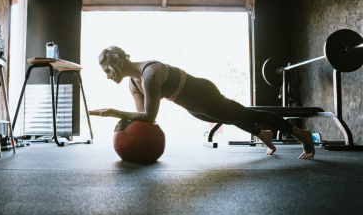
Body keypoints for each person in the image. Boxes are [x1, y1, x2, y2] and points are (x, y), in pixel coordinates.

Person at [88, 46, 315, 159]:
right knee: (231, 116)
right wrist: (124, 116)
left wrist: (114, 112)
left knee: (244, 114)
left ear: (117, 61)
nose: (107, 75)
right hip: (192, 106)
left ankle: (300, 133)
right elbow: (145, 119)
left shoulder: (150, 74)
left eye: (107, 69)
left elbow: (148, 116)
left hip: (202, 93)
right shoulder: (133, 84)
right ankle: (263, 134)